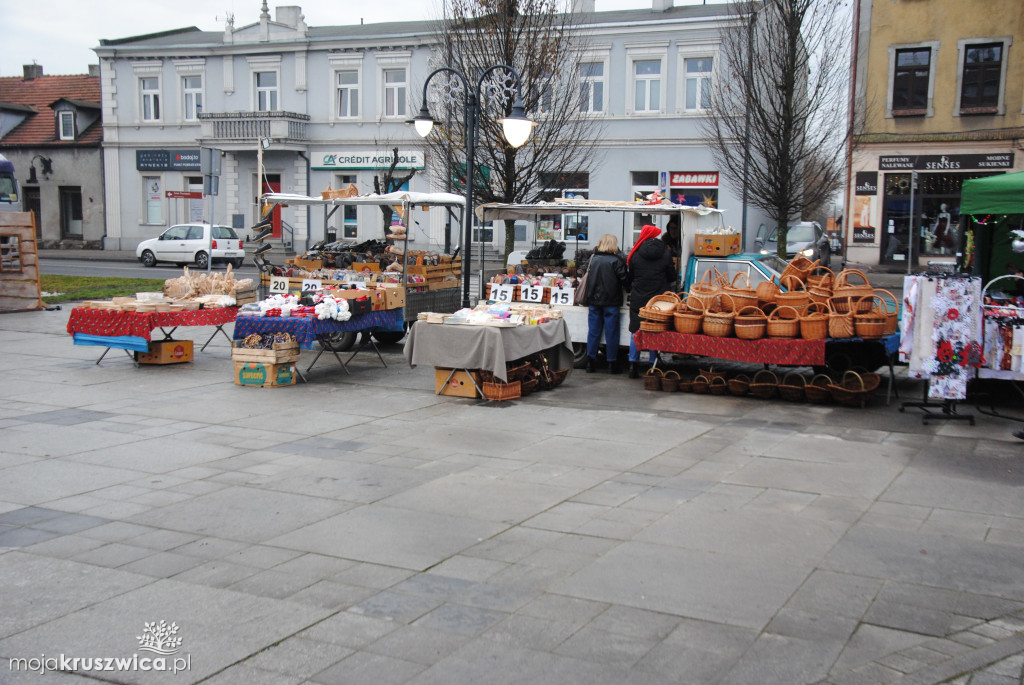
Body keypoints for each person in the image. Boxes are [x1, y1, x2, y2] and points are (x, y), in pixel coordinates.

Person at [627, 224, 677, 378]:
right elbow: (672, 276)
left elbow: (632, 276)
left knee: (636, 330)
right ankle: (652, 365)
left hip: (638, 298)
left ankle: (632, 365)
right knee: (655, 331)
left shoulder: (635, 254)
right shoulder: (665, 254)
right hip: (658, 301)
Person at [583, 234, 630, 373]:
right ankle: (611, 363)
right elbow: (625, 281)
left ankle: (590, 363)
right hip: (612, 302)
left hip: (594, 301)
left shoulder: (592, 259)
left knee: (593, 332)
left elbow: (583, 273)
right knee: (612, 333)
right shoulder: (617, 261)